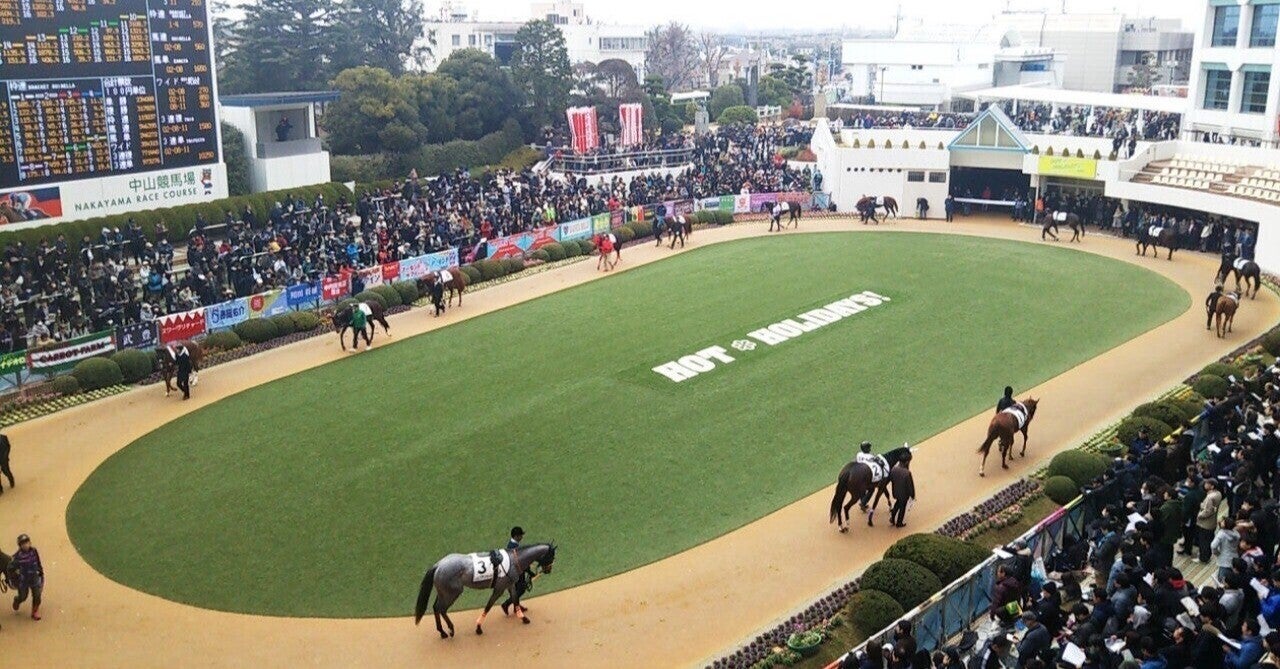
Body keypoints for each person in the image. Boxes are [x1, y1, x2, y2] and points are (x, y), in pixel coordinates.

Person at [11, 534, 43, 620]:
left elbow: (38, 562)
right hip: (23, 581)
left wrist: (40, 572)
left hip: (34, 579)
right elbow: (11, 568)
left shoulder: (34, 551)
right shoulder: (17, 557)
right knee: (23, 597)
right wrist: (15, 578)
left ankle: (34, 612)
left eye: (27, 542)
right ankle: (17, 600)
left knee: (37, 595)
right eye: (23, 544)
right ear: (20, 546)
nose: (25, 545)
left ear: (30, 542)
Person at [889, 453, 915, 528]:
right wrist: (912, 495)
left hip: (895, 492)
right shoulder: (907, 473)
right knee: (902, 508)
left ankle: (892, 518)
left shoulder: (893, 469)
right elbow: (910, 486)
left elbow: (891, 479)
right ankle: (899, 523)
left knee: (897, 504)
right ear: (906, 462)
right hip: (904, 494)